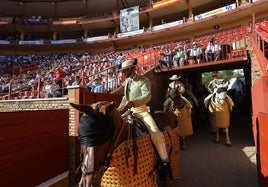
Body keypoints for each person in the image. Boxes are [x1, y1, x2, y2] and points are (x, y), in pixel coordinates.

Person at [117, 58, 172, 181]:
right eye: (123, 70)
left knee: (156, 134)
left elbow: (147, 96)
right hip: (129, 112)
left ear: (133, 69)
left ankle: (164, 162)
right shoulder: (127, 83)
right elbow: (125, 99)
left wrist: (134, 102)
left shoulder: (143, 80)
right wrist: (119, 109)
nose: (124, 72)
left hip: (142, 111)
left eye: (126, 70)